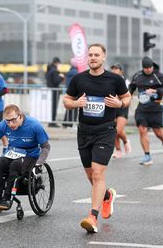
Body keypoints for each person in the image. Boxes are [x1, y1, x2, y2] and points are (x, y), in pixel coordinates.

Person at [63, 43, 131, 233]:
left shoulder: (114, 79)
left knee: (98, 173)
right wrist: (76, 103)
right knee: (90, 174)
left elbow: (127, 98)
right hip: (84, 131)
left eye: (96, 55)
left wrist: (119, 103)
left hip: (105, 130)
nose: (92, 57)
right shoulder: (78, 79)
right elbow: (66, 101)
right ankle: (107, 195)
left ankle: (92, 216)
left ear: (103, 58)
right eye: (90, 54)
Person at [0, 104, 50, 210]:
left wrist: (39, 164)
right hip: (13, 153)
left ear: (20, 115)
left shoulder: (34, 125)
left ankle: (7, 198)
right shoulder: (3, 125)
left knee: (15, 165)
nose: (10, 124)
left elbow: (46, 147)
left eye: (13, 120)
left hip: (30, 155)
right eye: (7, 121)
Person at [129, 56, 163, 165]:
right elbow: (131, 87)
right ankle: (147, 156)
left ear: (153, 66)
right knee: (142, 130)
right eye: (146, 68)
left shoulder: (158, 75)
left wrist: (156, 91)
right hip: (142, 108)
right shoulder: (137, 75)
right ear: (143, 67)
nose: (148, 69)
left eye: (150, 67)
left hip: (156, 107)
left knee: (158, 132)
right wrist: (128, 95)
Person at [110, 63, 132, 158]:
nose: (114, 70)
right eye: (113, 69)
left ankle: (126, 141)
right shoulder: (109, 80)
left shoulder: (126, 81)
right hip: (112, 108)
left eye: (116, 69)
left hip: (122, 107)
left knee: (118, 130)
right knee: (113, 130)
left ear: (121, 71)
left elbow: (128, 95)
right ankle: (118, 150)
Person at [45, 57, 64, 127]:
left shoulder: (48, 70)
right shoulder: (54, 71)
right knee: (54, 107)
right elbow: (56, 81)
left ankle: (51, 121)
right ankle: (52, 122)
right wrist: (61, 77)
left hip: (50, 90)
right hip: (54, 92)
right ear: (57, 63)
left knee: (51, 107)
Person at [62, 57, 78, 128]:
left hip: (69, 91)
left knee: (69, 108)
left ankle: (66, 123)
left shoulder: (69, 71)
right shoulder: (76, 72)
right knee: (74, 108)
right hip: (75, 92)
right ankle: (70, 124)